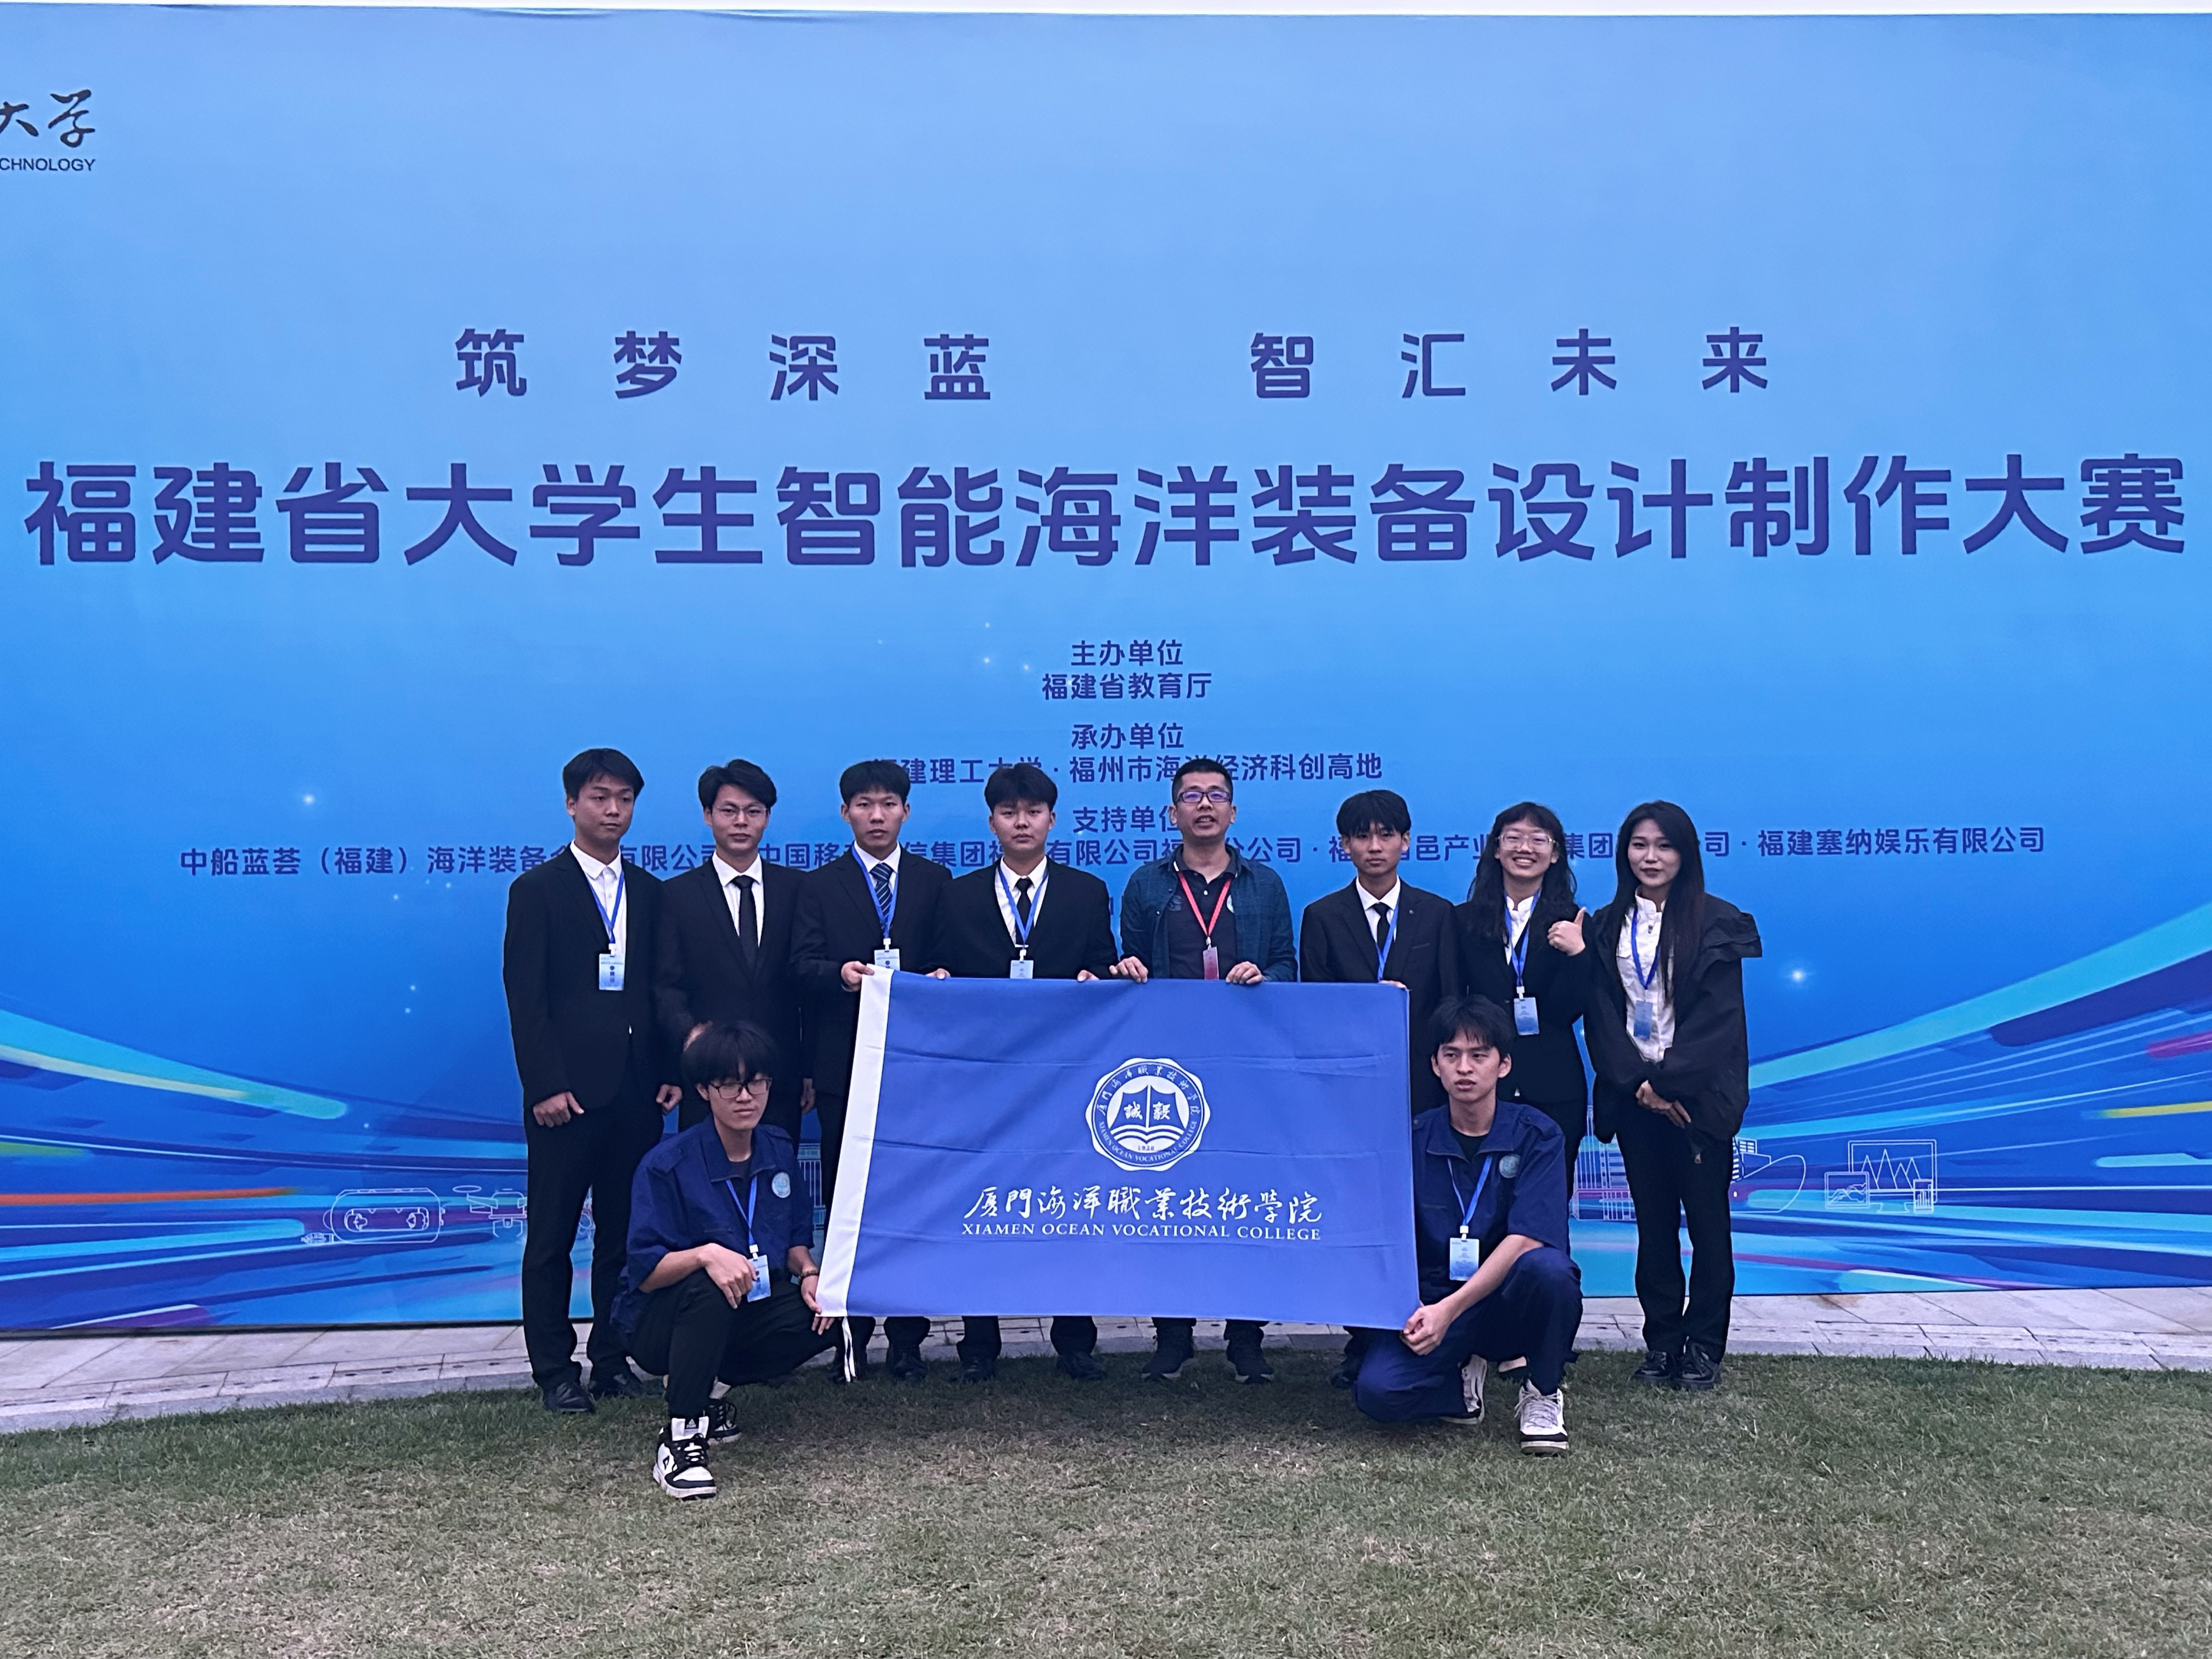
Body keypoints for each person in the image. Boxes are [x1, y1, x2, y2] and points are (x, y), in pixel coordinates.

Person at [501, 748, 685, 1414]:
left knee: (624, 1234)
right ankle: (554, 1369)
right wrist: (544, 1086)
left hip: (636, 1094)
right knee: (551, 1237)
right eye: (600, 797)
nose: (613, 811)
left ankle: (611, 1358)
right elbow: (526, 999)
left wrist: (669, 1070)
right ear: (572, 803)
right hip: (566, 1099)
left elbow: (662, 990)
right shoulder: (537, 890)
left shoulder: (652, 891)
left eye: (625, 799)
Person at [922, 761, 1119, 1383]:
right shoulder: (957, 895)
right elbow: (939, 967)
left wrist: (1097, 977)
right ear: (992, 823)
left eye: (1033, 812)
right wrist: (939, 979)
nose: (1022, 823)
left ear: (1052, 820)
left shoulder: (1086, 891)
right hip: (985, 1079)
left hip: (1064, 1078)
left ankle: (1075, 1341)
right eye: (1009, 813)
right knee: (981, 1202)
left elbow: (1104, 965)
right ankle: (979, 1342)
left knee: (1068, 1202)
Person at [1566, 800, 1762, 1393]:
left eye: (1664, 845)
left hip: (1697, 1101)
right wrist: (1639, 1086)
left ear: (1686, 853)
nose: (1651, 857)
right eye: (1639, 845)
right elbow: (1602, 1014)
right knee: (1653, 1228)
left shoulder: (1718, 921)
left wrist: (1670, 1084)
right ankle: (1662, 1342)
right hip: (1636, 1102)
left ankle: (1704, 1346)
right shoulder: (1606, 924)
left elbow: (1720, 1021)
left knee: (1708, 1226)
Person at [1114, 757, 1297, 1385]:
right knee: (1168, 1201)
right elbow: (1130, 964)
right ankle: (1173, 1336)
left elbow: (1288, 965)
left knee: (1246, 1198)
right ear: (1173, 812)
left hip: (1246, 1064)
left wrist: (1264, 975)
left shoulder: (1264, 885)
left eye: (1216, 795)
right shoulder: (1146, 885)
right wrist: (1129, 970)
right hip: (1169, 1064)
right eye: (1191, 796)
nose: (1205, 805)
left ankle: (1246, 1339)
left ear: (1233, 811)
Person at [617, 1022, 837, 1500]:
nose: (745, 1097)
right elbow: (646, 1275)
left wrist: (811, 1274)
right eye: (729, 1085)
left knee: (828, 1312)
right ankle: (681, 1438)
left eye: (756, 1082)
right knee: (710, 1281)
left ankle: (707, 1391)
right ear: (704, 1090)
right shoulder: (667, 1164)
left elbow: (794, 1240)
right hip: (660, 1323)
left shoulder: (778, 1148)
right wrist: (705, 1254)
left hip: (743, 1308)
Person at [1353, 997, 1581, 1453]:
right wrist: (1421, 1311)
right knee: (1378, 1393)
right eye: (1452, 1055)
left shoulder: (1538, 1135)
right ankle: (1460, 1388)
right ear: (1435, 1065)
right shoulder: (1413, 1139)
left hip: (1505, 1301)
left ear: (1503, 1065)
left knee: (1550, 1271)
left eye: (1479, 1055)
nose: (1464, 1068)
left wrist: (1450, 1310)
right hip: (1437, 1298)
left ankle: (1542, 1391)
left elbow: (1527, 1238)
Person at [791, 759, 953, 1380]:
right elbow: (800, 968)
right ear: (845, 813)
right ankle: (850, 1334)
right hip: (844, 1065)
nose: (876, 815)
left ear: (906, 811)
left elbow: (953, 958)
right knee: (846, 1199)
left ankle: (909, 1339)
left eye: (888, 804)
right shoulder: (818, 886)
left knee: (911, 1197)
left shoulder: (935, 881)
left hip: (916, 1068)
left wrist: (941, 976)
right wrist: (840, 975)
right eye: (864, 804)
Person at [1299, 788, 1463, 1390]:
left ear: (1406, 842)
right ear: (1344, 845)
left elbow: (1451, 1003)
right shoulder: (1322, 916)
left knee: (1421, 1213)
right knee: (1358, 1218)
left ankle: (1424, 1329)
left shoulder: (1437, 913)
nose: (1374, 846)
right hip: (1351, 1096)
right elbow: (1315, 1011)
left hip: (1422, 1090)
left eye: (1386, 834)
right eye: (1362, 836)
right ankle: (1362, 1339)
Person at [654, 758, 809, 1137]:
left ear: (767, 818)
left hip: (780, 1076)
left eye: (753, 811)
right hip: (708, 1075)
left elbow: (808, 984)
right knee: (706, 1172)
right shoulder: (676, 896)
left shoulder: (798, 890)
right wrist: (692, 1036)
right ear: (708, 815)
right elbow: (666, 985)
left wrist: (810, 1069)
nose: (741, 822)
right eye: (729, 811)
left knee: (776, 1170)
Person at [1457, 803, 1594, 1204]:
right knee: (1483, 1200)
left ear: (1556, 854)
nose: (1525, 848)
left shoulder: (1575, 922)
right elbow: (1454, 999)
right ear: (1496, 849)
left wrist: (1578, 955)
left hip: (1554, 1083)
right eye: (1513, 838)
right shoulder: (1464, 920)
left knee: (1549, 1200)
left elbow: (1570, 1010)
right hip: (1483, 1084)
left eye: (1538, 839)